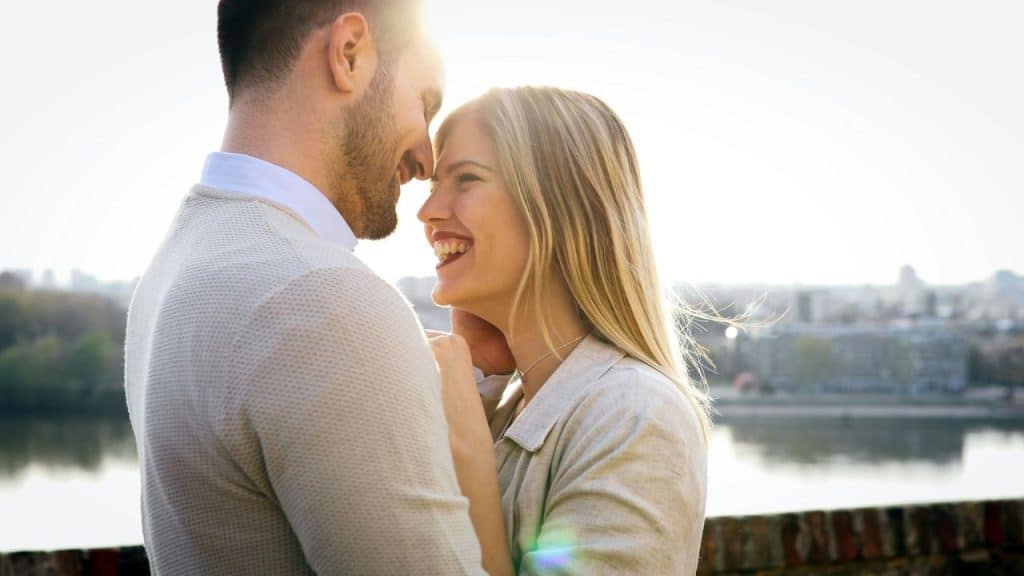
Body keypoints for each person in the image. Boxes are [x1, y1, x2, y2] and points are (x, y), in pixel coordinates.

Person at [124, 1, 504, 573]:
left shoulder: (173, 267)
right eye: (423, 104)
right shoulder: (324, 299)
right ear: (349, 53)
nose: (426, 158)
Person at [421, 87, 711, 574]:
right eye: (432, 184)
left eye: (466, 179)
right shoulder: (512, 404)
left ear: (560, 206)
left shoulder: (634, 416)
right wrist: (480, 385)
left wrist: (469, 451)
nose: (427, 211)